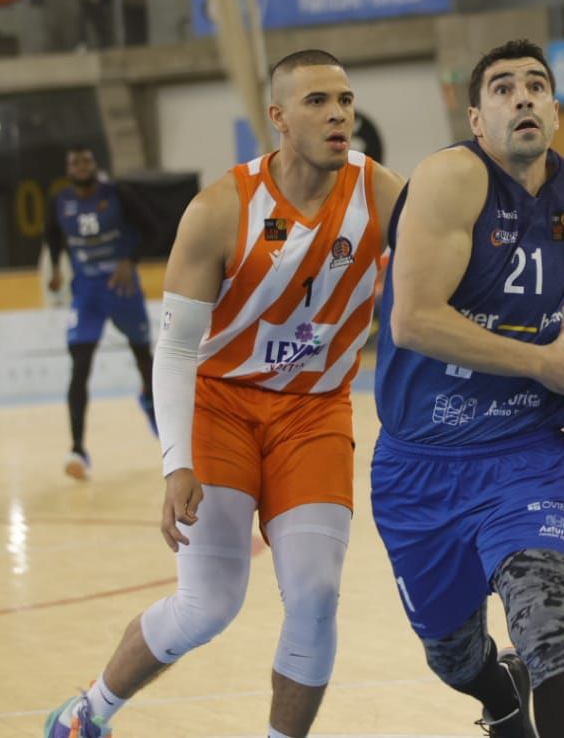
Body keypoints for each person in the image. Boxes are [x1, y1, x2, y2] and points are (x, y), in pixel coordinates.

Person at [42, 51, 405, 738]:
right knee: (208, 604)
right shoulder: (217, 209)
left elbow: (456, 254)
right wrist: (175, 462)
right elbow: (176, 348)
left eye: (345, 101)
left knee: (316, 594)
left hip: (314, 409)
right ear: (277, 118)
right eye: (318, 102)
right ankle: (91, 711)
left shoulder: (380, 193)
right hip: (222, 405)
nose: (337, 114)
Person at [372, 39, 564, 738]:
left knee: (548, 623)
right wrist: (544, 363)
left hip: (523, 452)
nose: (522, 97)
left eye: (535, 86)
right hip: (421, 463)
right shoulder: (450, 179)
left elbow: (556, 285)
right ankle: (497, 699)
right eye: (502, 88)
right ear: (476, 120)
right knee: (451, 656)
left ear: (554, 109)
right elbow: (413, 320)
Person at [45, 146, 162, 480]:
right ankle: (77, 449)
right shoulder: (60, 202)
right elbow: (52, 235)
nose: (80, 166)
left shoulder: (119, 195)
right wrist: (55, 267)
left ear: (95, 165)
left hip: (122, 288)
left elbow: (153, 230)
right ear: (67, 167)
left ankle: (151, 403)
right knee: (80, 364)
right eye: (73, 161)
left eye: (85, 161)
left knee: (143, 358)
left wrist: (130, 260)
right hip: (86, 293)